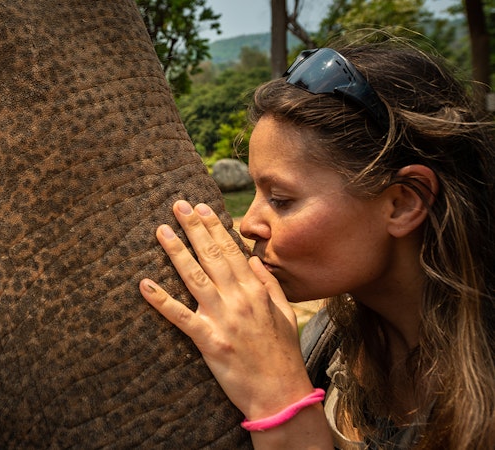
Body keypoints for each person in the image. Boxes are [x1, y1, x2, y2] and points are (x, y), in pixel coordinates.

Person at [139, 33, 495, 449]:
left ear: (403, 203)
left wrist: (281, 402)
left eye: (281, 199)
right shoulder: (332, 340)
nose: (249, 224)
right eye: (256, 192)